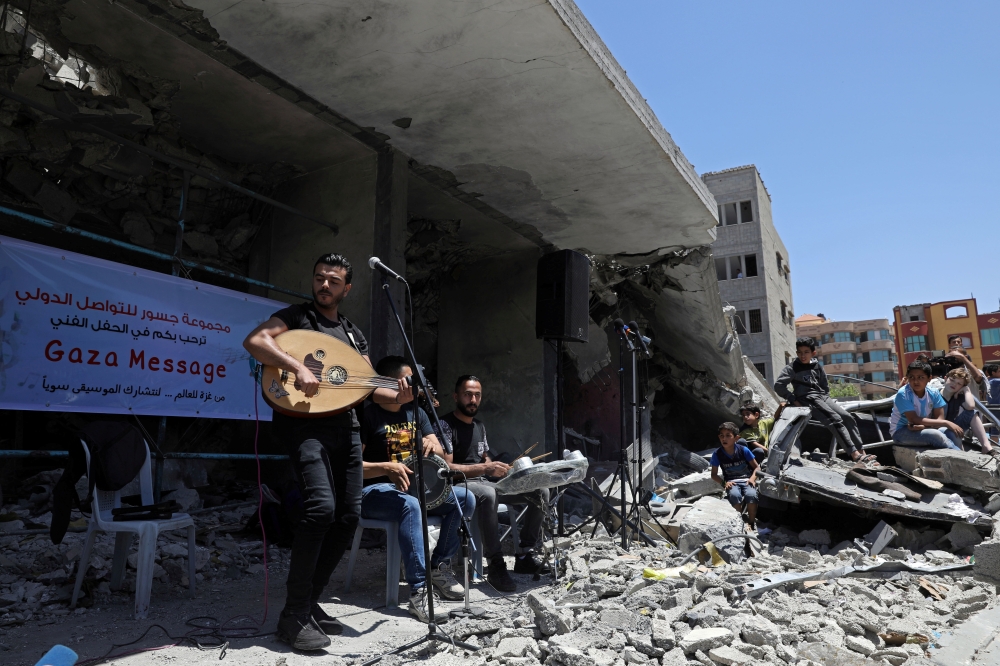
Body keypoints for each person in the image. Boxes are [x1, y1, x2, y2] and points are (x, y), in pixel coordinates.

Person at [243, 253, 410, 651]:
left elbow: (370, 388)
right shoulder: (296, 317)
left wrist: (402, 395)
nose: (324, 286)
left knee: (348, 516)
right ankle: (292, 615)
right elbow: (255, 341)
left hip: (346, 431)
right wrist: (295, 366)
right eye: (319, 278)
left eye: (333, 281)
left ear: (346, 288)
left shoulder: (354, 336)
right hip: (305, 427)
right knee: (320, 508)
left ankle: (309, 603)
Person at [360, 356, 475, 622]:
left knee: (465, 498)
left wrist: (430, 446)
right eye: (409, 380)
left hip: (416, 489)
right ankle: (419, 591)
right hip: (375, 491)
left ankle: (439, 567)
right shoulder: (367, 416)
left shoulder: (417, 413)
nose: (415, 386)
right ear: (391, 383)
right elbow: (353, 466)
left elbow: (438, 447)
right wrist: (386, 467)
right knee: (410, 506)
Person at [436, 375, 550, 592]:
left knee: (540, 491)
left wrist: (502, 470)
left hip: (485, 480)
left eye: (477, 395)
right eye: (468, 394)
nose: (473, 399)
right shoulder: (444, 425)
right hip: (460, 485)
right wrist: (486, 469)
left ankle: (525, 555)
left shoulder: (479, 426)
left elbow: (484, 458)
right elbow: (448, 469)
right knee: (489, 495)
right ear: (456, 396)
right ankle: (496, 564)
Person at [774, 337, 875, 464]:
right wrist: (793, 399)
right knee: (835, 419)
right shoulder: (792, 368)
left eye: (806, 352)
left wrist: (826, 399)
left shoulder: (817, 366)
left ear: (813, 353)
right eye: (799, 352)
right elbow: (778, 386)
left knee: (847, 417)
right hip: (808, 398)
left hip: (823, 397)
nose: (802, 355)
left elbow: (824, 385)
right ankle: (854, 454)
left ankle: (862, 451)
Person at [890, 360, 963, 450]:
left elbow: (940, 418)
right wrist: (947, 423)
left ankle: (962, 457)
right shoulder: (903, 393)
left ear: (929, 378)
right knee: (935, 435)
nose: (916, 381)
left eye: (921, 377)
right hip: (900, 432)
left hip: (923, 427)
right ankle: (964, 459)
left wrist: (926, 426)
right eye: (912, 377)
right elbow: (914, 419)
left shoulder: (933, 392)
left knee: (952, 433)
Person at [710, 422, 759, 528]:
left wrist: (752, 479)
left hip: (747, 479)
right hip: (732, 481)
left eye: (728, 435)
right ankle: (739, 522)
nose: (724, 439)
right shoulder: (717, 454)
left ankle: (751, 522)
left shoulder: (743, 450)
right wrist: (724, 483)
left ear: (736, 438)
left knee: (751, 495)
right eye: (722, 436)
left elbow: (757, 467)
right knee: (735, 495)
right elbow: (713, 474)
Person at [941, 367, 998, 456]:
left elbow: (971, 406)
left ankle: (986, 446)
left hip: (955, 428)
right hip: (940, 427)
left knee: (972, 413)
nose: (954, 384)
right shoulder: (936, 394)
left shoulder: (958, 396)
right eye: (952, 380)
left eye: (959, 384)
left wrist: (966, 390)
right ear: (945, 378)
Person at [946, 335, 988, 399]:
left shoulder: (970, 373)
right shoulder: (947, 372)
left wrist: (963, 358)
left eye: (957, 356)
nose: (954, 358)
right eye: (952, 357)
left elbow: (978, 377)